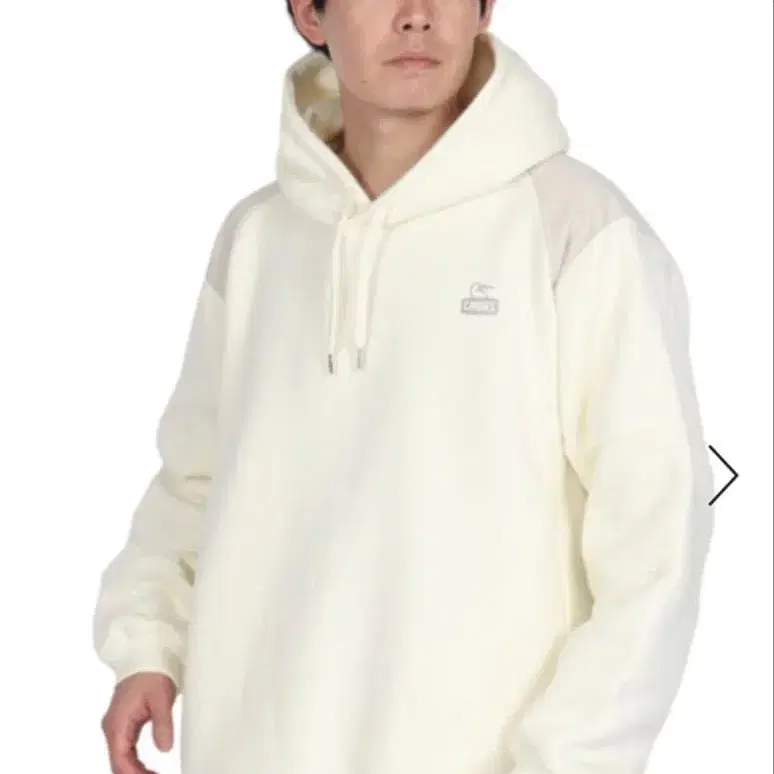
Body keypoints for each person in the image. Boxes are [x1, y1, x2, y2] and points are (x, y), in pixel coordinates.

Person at [93, 1, 716, 772]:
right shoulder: (257, 238)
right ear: (310, 13)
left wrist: (571, 757)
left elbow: (657, 535)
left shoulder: (578, 229)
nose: (418, 16)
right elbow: (195, 479)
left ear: (484, 10)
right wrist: (148, 646)